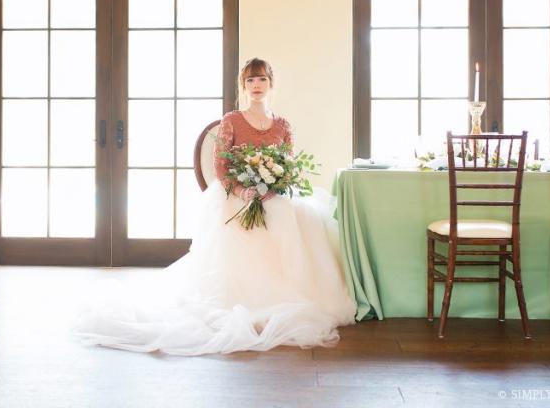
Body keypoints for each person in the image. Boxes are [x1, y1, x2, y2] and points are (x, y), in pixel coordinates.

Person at [73, 58, 356, 355]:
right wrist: (244, 190)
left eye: (261, 80)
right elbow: (221, 166)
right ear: (242, 85)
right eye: (250, 80)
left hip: (272, 193)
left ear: (271, 84)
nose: (256, 86)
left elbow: (289, 166)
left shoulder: (283, 124)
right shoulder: (232, 120)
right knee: (254, 219)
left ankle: (296, 294)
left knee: (296, 214)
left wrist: (273, 185)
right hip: (238, 192)